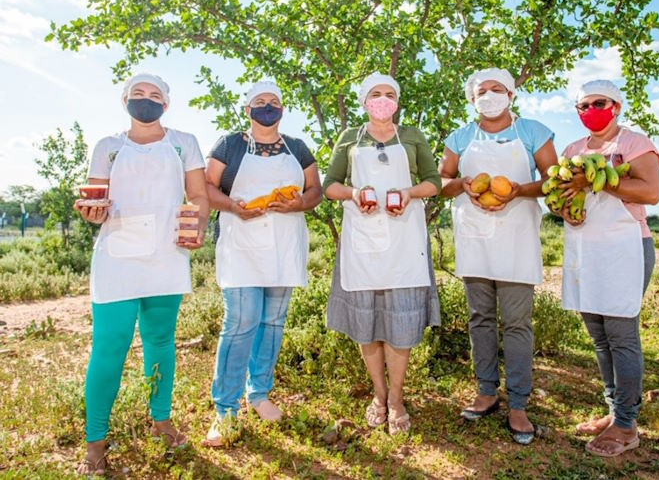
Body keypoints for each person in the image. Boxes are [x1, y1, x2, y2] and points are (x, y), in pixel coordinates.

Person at [75, 73, 209, 475]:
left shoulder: (184, 143)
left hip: (167, 254)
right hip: (117, 257)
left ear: (166, 104)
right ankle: (95, 442)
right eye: (138, 94)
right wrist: (90, 211)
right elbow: (95, 197)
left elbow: (199, 196)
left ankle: (161, 421)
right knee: (109, 347)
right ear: (125, 100)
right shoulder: (109, 147)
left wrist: (198, 224)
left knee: (160, 341)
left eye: (154, 95)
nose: (146, 100)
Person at [439, 67, 558, 445]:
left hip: (517, 237)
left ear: (510, 94)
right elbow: (441, 182)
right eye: (481, 91)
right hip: (474, 237)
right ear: (471, 99)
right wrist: (461, 185)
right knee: (480, 318)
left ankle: (519, 403)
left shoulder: (532, 132)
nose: (488, 95)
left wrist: (519, 190)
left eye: (496, 89)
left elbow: (553, 180)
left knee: (517, 322)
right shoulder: (460, 137)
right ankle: (486, 391)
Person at [202, 80, 322, 446]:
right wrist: (234, 206)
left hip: (284, 245)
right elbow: (206, 187)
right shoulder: (230, 144)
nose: (267, 107)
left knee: (272, 321)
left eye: (273, 102)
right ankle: (225, 409)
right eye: (260, 102)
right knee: (241, 320)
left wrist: (298, 204)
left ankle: (259, 394)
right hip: (241, 242)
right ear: (247, 109)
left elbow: (314, 190)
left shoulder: (297, 148)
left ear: (282, 110)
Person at [323, 72, 441, 435]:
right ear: (363, 101)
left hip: (405, 237)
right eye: (375, 93)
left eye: (390, 94)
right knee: (367, 322)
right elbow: (330, 186)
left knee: (400, 323)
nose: (383, 99)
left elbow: (434, 182)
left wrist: (408, 193)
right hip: (362, 239)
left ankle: (397, 399)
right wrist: (355, 194)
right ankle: (378, 394)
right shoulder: (349, 139)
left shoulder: (411, 136)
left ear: (398, 101)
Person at [558, 79, 659, 457]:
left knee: (621, 335)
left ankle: (626, 424)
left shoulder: (634, 144)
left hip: (626, 246)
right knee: (600, 337)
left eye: (597, 103)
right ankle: (614, 410)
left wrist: (599, 182)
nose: (589, 111)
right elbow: (561, 195)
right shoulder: (573, 150)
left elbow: (650, 191)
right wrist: (564, 206)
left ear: (615, 106)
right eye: (582, 106)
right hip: (586, 248)